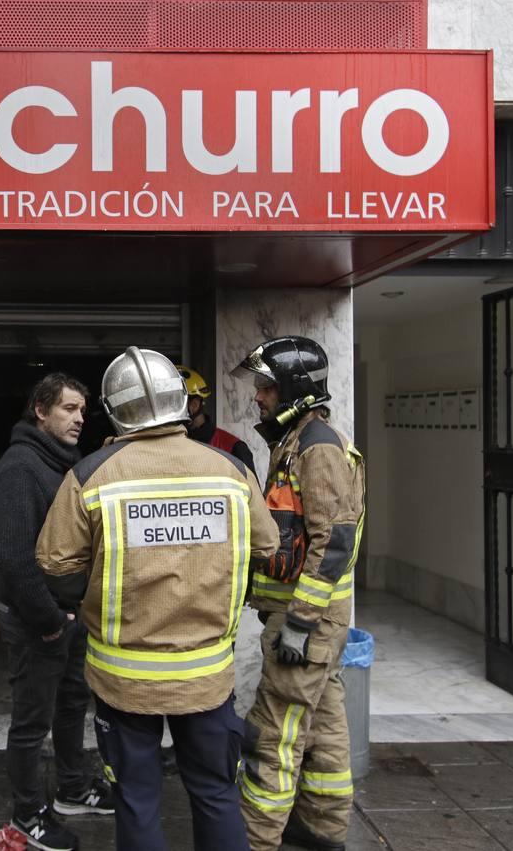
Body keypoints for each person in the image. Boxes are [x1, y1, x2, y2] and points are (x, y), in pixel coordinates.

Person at [35, 347, 280, 851]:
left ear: (112, 409)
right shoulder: (231, 471)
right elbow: (268, 544)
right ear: (178, 400)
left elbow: (54, 563)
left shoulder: (91, 474)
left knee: (137, 800)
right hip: (207, 677)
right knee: (216, 793)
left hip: (125, 681)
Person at [231, 336, 365, 851]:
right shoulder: (298, 441)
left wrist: (302, 623)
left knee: (274, 732)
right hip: (304, 617)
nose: (258, 397)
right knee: (326, 723)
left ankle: (255, 838)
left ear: (294, 388)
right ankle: (323, 828)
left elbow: (334, 541)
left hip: (305, 620)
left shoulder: (319, 446)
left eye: (266, 386)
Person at [0, 373, 114, 851]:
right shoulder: (21, 467)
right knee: (30, 721)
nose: (78, 419)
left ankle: (72, 787)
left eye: (82, 411)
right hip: (37, 619)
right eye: (68, 409)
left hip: (68, 614)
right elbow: (14, 557)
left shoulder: (68, 464)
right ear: (39, 411)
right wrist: (47, 621)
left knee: (70, 706)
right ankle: (26, 814)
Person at [176, 364, 255, 472]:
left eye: (173, 405)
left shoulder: (233, 448)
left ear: (194, 405)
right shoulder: (168, 445)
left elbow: (250, 488)